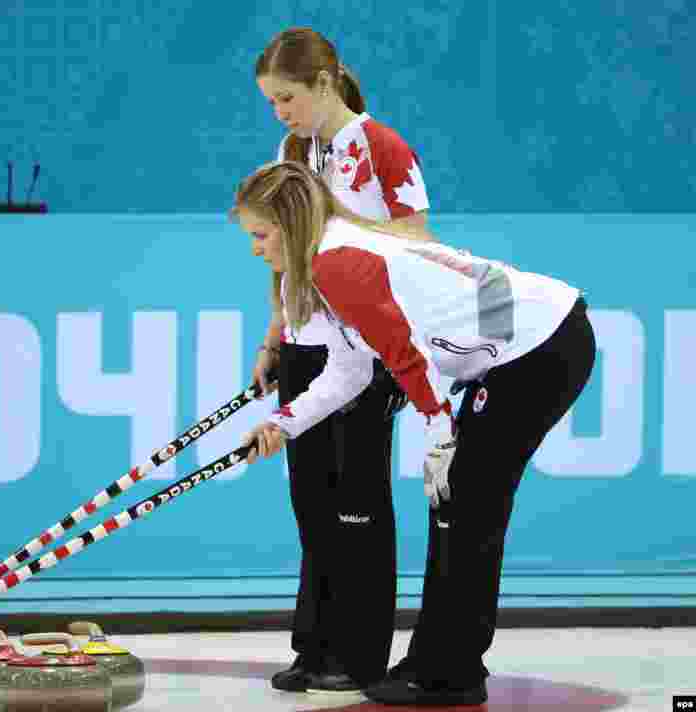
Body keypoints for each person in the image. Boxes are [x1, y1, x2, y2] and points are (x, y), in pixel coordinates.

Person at [235, 160, 596, 706]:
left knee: (465, 500)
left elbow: (409, 358)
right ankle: (439, 661)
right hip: (521, 350)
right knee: (458, 504)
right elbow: (352, 370)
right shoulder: (325, 259)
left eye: (260, 234)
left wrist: (440, 436)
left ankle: (449, 672)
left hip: (539, 346)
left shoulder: (338, 263)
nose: (256, 249)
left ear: (289, 223)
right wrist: (283, 424)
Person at [251, 28, 432, 694]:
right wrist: (275, 333)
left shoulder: (383, 148)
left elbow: (416, 244)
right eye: (272, 103)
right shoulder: (293, 150)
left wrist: (335, 227)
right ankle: (315, 645)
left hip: (366, 347)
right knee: (310, 501)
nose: (281, 114)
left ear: (324, 83)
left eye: (287, 98)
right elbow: (283, 246)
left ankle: (357, 653)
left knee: (357, 501)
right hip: (305, 340)